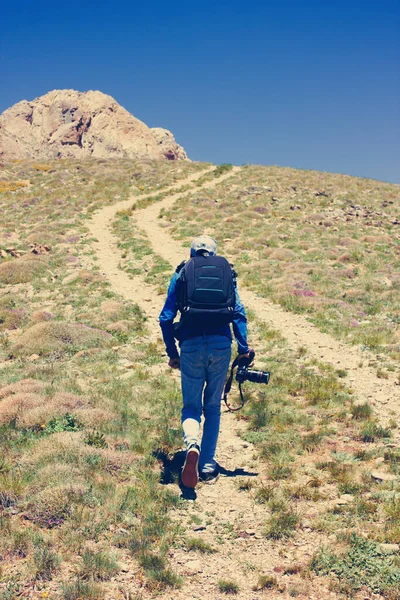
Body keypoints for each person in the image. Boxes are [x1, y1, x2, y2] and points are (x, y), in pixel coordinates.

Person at [159, 235, 252, 488]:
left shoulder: (181, 274)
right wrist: (243, 348)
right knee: (211, 407)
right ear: (214, 255)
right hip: (221, 345)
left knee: (191, 406)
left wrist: (172, 353)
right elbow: (239, 313)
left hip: (190, 345)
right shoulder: (227, 275)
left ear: (191, 254)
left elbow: (165, 318)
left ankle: (192, 445)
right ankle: (208, 466)